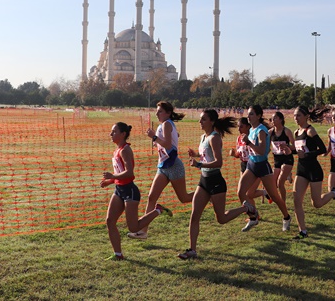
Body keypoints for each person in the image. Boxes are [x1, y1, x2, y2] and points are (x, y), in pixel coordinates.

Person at [178, 110, 251, 260]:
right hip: (204, 181)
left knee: (221, 219)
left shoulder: (215, 138)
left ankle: (246, 208)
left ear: (211, 121)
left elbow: (219, 162)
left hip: (216, 181)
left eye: (203, 119)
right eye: (200, 119)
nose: (200, 122)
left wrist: (199, 164)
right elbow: (206, 154)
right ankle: (192, 249)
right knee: (194, 215)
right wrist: (196, 154)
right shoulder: (203, 137)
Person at [101, 122, 172, 260]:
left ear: (123, 134)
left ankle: (158, 210)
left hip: (130, 191)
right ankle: (118, 254)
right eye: (111, 131)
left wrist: (113, 176)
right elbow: (120, 173)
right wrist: (110, 181)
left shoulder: (125, 150)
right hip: (119, 190)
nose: (111, 134)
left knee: (133, 228)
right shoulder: (117, 150)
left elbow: (129, 173)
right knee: (110, 221)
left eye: (114, 131)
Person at [129, 101, 194, 240]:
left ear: (168, 113)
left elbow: (168, 145)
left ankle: (206, 195)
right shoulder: (164, 125)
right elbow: (168, 141)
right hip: (163, 166)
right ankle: (143, 231)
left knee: (184, 198)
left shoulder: (166, 124)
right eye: (157, 111)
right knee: (152, 197)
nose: (156, 113)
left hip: (174, 166)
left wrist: (154, 137)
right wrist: (157, 139)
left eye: (159, 111)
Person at [236, 105, 292, 232]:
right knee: (241, 192)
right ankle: (253, 217)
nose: (248, 117)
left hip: (262, 166)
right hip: (251, 164)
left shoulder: (261, 130)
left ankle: (286, 217)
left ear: (259, 116)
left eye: (251, 114)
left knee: (275, 196)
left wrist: (249, 143)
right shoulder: (251, 130)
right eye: (248, 114)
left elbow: (262, 151)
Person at [291, 106, 335, 240]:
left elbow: (322, 149)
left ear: (306, 117)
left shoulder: (310, 131)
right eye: (295, 116)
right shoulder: (296, 132)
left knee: (317, 204)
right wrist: (289, 151)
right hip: (301, 170)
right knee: (296, 200)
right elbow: (299, 151)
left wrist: (307, 154)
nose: (295, 118)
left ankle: (334, 193)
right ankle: (303, 231)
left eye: (298, 116)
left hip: (314, 170)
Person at [229, 117, 266, 204]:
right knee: (244, 194)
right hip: (243, 166)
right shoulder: (239, 138)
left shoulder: (253, 137)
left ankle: (266, 192)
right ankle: (254, 215)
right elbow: (239, 154)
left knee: (249, 193)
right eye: (238, 127)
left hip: (254, 166)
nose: (239, 129)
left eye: (241, 126)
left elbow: (260, 151)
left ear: (248, 127)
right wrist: (234, 154)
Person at [269, 112, 295, 204]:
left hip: (287, 158)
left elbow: (295, 146)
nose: (272, 120)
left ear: (281, 119)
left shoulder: (286, 131)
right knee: (273, 183)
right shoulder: (270, 132)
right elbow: (266, 147)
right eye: (272, 119)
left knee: (280, 183)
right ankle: (288, 175)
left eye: (275, 118)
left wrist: (287, 146)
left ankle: (282, 202)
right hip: (277, 159)